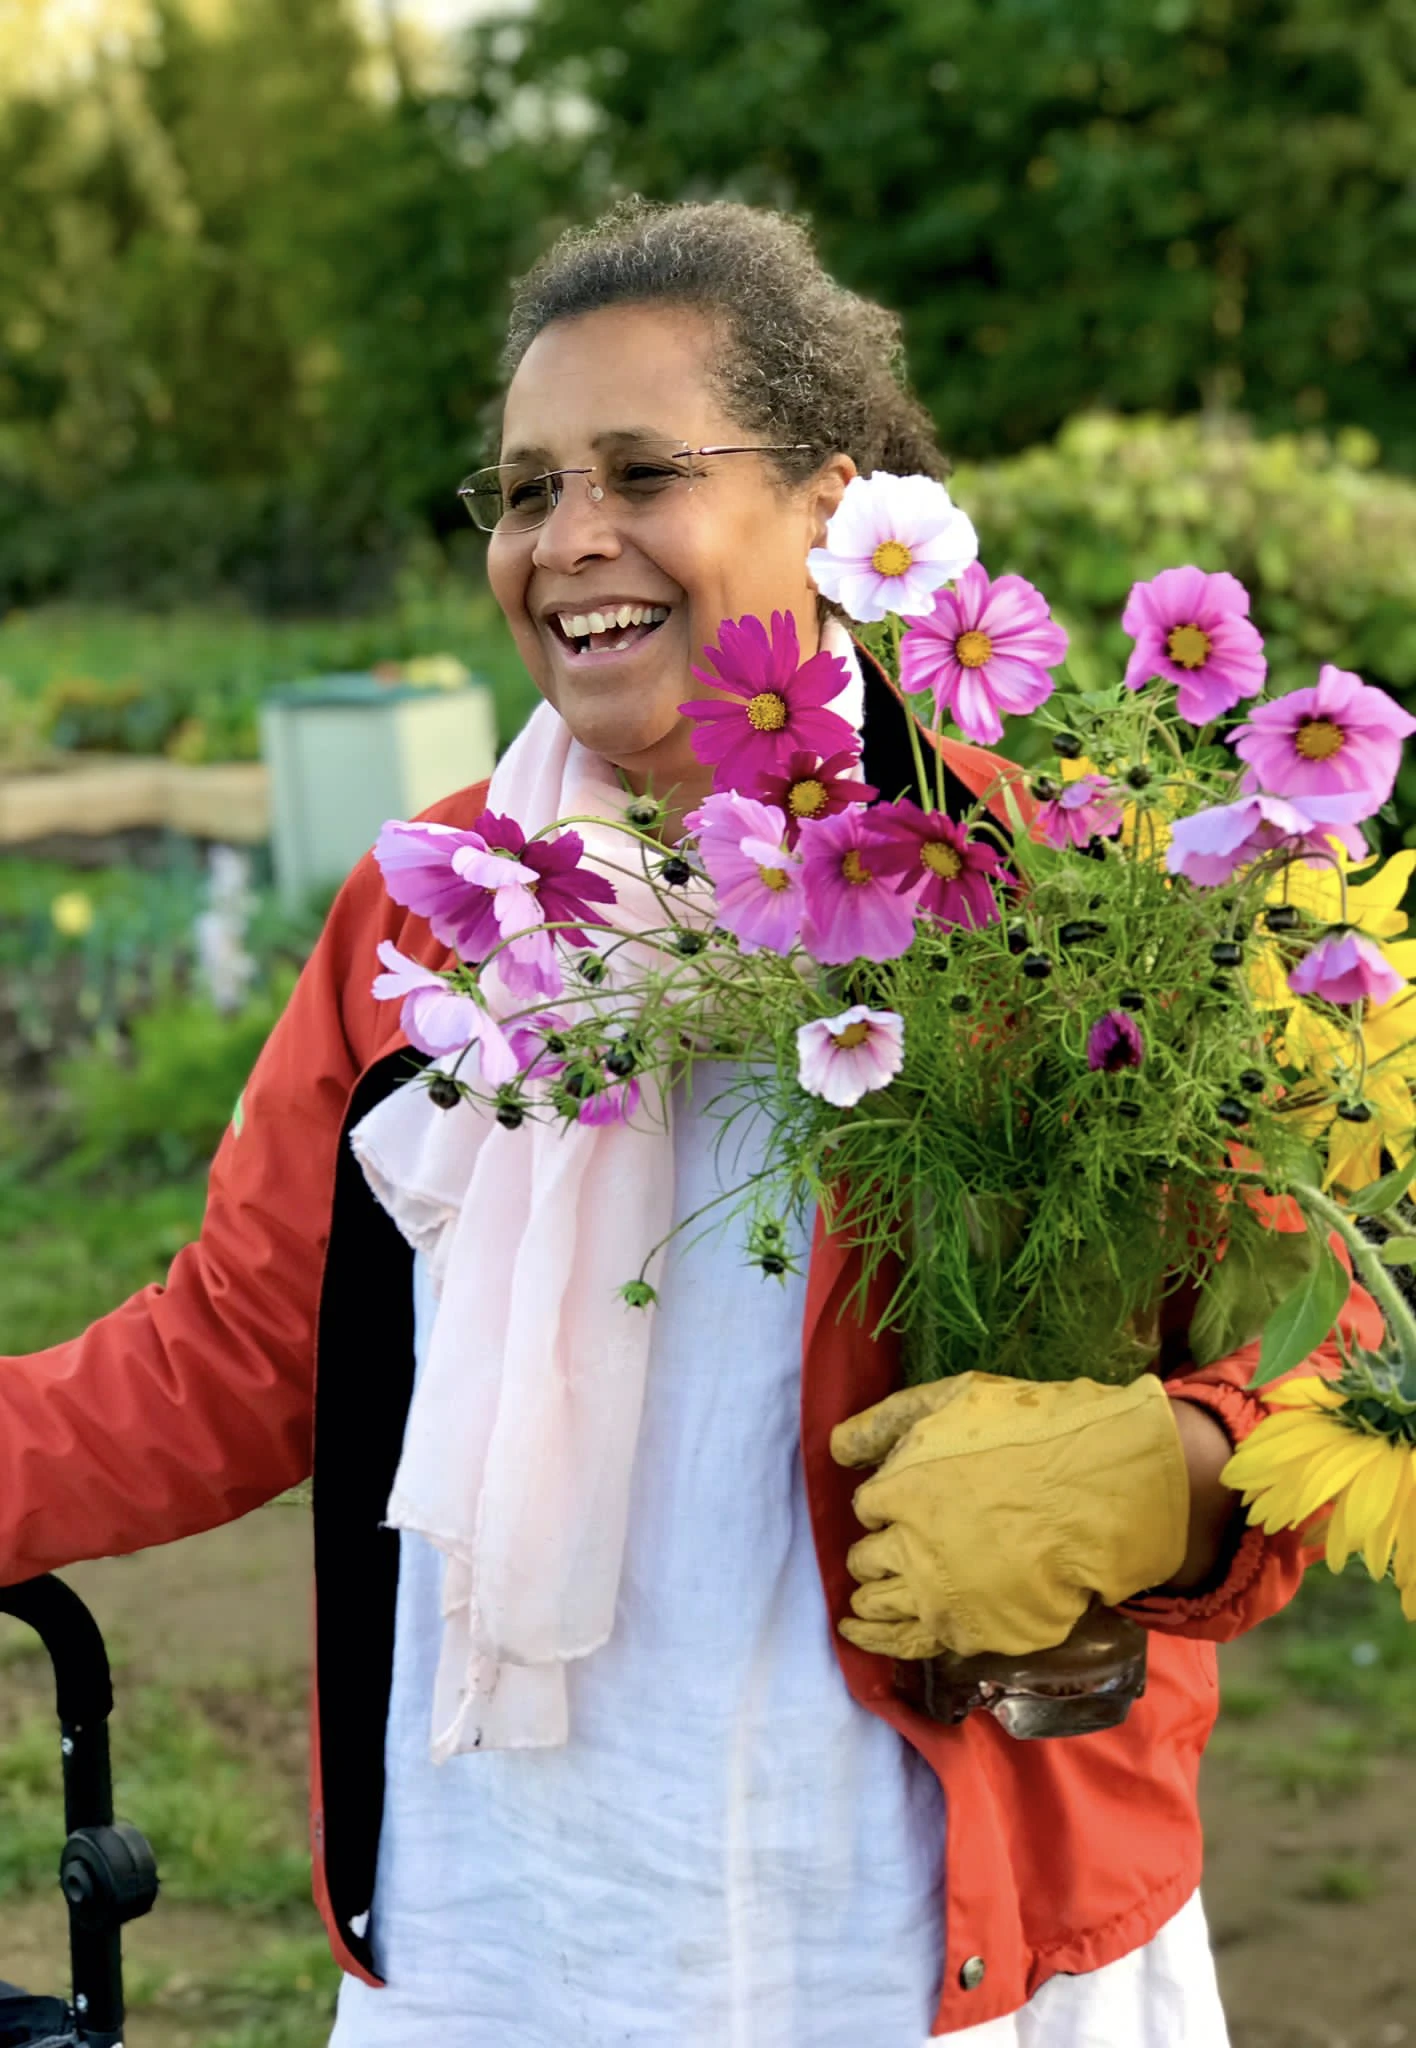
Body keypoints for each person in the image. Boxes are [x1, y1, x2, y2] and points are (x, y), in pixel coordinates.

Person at [0, 198, 1360, 2047]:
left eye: (641, 470)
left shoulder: (1063, 901)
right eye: (522, 487)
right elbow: (243, 1346)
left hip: (930, 1934)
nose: (568, 540)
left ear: (830, 502)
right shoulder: (440, 912)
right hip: (519, 1907)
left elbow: (1321, 1346)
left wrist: (1177, 1482)